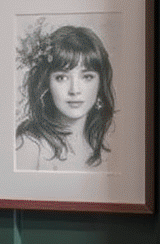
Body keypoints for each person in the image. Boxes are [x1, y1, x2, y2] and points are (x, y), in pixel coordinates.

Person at [15, 23, 115, 171]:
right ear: (46, 83)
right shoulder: (29, 146)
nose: (74, 90)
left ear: (100, 83)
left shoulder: (105, 146)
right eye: (62, 78)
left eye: (87, 77)